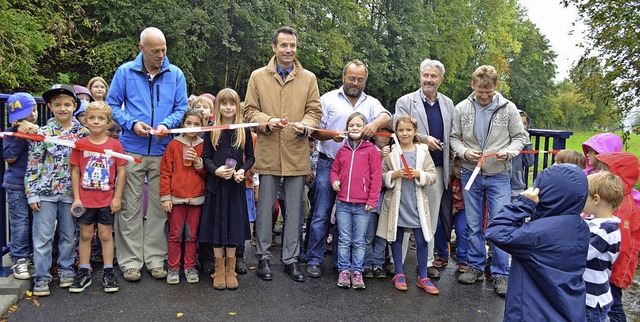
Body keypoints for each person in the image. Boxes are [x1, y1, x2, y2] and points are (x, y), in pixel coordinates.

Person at [106, 27, 188, 282]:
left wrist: (168, 125)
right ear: (141, 48)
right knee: (129, 208)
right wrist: (132, 124)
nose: (161, 55)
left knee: (159, 207)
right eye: (155, 51)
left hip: (164, 151)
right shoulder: (125, 72)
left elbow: (181, 107)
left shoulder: (176, 74)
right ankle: (130, 262)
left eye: (164, 50)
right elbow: (111, 104)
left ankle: (154, 258)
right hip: (131, 150)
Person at [243, 26, 322, 282]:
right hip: (267, 152)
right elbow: (249, 112)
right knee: (265, 209)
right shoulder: (257, 77)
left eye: (293, 46)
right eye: (284, 45)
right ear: (274, 47)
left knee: (296, 211)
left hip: (296, 152)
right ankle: (263, 257)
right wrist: (267, 120)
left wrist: (306, 126)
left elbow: (315, 111)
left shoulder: (308, 78)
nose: (289, 50)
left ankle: (290, 259)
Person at [306, 59, 391, 278]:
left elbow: (387, 116)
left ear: (365, 81)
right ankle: (314, 259)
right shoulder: (328, 99)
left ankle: (340, 263)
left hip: (358, 168)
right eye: (351, 78)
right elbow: (314, 130)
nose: (355, 83)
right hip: (330, 162)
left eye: (360, 80)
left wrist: (375, 124)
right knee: (321, 213)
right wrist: (332, 135)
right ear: (344, 77)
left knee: (346, 216)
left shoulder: (371, 102)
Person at [449, 65, 526, 296]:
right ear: (473, 85)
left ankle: (501, 273)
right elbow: (454, 138)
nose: (484, 97)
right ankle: (475, 267)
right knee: (473, 224)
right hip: (469, 172)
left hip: (498, 174)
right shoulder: (462, 108)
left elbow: (520, 137)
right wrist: (463, 152)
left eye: (489, 92)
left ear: (496, 87)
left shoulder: (508, 108)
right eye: (481, 91)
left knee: (500, 224)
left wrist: (509, 152)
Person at [486, 164, 590, 321]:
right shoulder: (580, 227)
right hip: (568, 311)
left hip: (532, 314)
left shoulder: (538, 233)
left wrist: (524, 204)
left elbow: (496, 230)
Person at [26, 84, 90, 296]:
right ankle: (42, 276)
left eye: (67, 104)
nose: (63, 108)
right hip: (45, 193)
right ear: (51, 107)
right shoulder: (43, 132)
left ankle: (65, 269)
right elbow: (34, 163)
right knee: (43, 236)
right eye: (57, 105)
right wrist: (32, 192)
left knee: (69, 234)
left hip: (72, 194)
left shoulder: (83, 133)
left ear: (74, 106)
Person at [394, 59, 454, 279]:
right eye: (425, 75)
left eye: (433, 76)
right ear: (420, 76)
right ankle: (396, 262)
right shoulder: (405, 101)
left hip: (436, 168)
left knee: (429, 217)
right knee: (401, 214)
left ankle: (427, 262)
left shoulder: (448, 104)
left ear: (441, 79)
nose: (429, 79)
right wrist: (422, 139)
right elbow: (396, 129)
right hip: (408, 167)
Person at [68, 101, 127, 293]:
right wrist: (77, 198)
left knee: (105, 235)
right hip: (85, 199)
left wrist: (117, 197)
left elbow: (121, 171)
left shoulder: (115, 144)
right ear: (85, 120)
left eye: (100, 118)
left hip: (105, 199)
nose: (95, 122)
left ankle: (108, 272)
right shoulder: (80, 144)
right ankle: (84, 271)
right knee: (85, 235)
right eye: (91, 118)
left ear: (108, 121)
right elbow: (75, 171)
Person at [377, 116, 439, 295]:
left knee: (422, 239)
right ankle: (399, 272)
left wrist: (419, 174)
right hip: (398, 203)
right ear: (396, 132)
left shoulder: (423, 152)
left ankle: (423, 276)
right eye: (401, 130)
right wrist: (393, 174)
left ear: (415, 132)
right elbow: (381, 176)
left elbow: (432, 175)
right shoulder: (391, 152)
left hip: (416, 204)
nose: (405, 133)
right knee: (396, 238)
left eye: (409, 130)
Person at [200, 88, 254, 290]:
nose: (229, 107)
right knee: (216, 226)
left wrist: (242, 171)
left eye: (232, 103)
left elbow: (251, 157)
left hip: (235, 188)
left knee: (233, 225)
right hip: (216, 187)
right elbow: (205, 158)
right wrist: (216, 171)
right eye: (224, 103)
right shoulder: (211, 130)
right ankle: (219, 268)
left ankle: (231, 269)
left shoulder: (244, 129)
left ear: (238, 106)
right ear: (218, 106)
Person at [330, 113, 382, 289]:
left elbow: (376, 177)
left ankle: (357, 272)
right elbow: (334, 170)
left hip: (363, 205)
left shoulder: (371, 150)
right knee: (344, 239)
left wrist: (372, 199)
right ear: (347, 127)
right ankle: (344, 271)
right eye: (351, 125)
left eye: (358, 125)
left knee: (359, 240)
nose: (354, 128)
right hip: (343, 203)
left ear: (365, 128)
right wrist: (334, 180)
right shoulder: (342, 151)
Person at [160, 109, 208, 285]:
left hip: (196, 198)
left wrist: (198, 162)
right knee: (175, 235)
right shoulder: (174, 145)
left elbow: (206, 173)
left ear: (202, 126)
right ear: (182, 124)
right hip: (177, 199)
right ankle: (173, 268)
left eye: (196, 124)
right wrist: (166, 197)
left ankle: (189, 266)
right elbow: (165, 172)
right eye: (189, 123)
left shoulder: (204, 145)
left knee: (191, 235)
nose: (192, 127)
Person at [593, 152, 640, 322]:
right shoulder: (619, 200)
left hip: (616, 267)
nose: (598, 174)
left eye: (603, 171)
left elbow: (623, 243)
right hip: (612, 265)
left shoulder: (621, 206)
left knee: (614, 306)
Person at [3, 92, 39, 280]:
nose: (33, 115)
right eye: (28, 112)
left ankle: (32, 254)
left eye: (34, 110)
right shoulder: (11, 134)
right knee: (20, 224)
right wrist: (20, 137)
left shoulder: (39, 131)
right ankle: (19, 259)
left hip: (36, 185)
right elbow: (9, 157)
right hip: (16, 184)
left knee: (35, 222)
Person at [582, 171, 624, 322]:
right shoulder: (594, 222)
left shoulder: (606, 231)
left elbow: (580, 253)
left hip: (592, 300)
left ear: (596, 199)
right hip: (586, 296)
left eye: (583, 196)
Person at [363, 126, 392, 278]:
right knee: (368, 233)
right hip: (371, 196)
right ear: (374, 135)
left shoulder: (394, 152)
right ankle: (367, 264)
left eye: (388, 135)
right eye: (381, 134)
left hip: (386, 196)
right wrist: (380, 156)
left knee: (382, 234)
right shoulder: (368, 149)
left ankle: (378, 264)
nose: (385, 138)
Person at [433, 156, 469, 273]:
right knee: (438, 225)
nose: (459, 170)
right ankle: (442, 254)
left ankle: (463, 258)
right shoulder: (448, 180)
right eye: (456, 167)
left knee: (462, 228)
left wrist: (457, 207)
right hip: (447, 209)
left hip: (462, 210)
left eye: (462, 168)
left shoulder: (468, 181)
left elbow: (470, 199)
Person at [509, 110, 534, 197]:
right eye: (519, 123)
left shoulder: (525, 143)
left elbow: (529, 163)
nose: (522, 127)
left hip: (517, 186)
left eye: (524, 123)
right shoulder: (502, 140)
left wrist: (527, 141)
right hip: (500, 186)